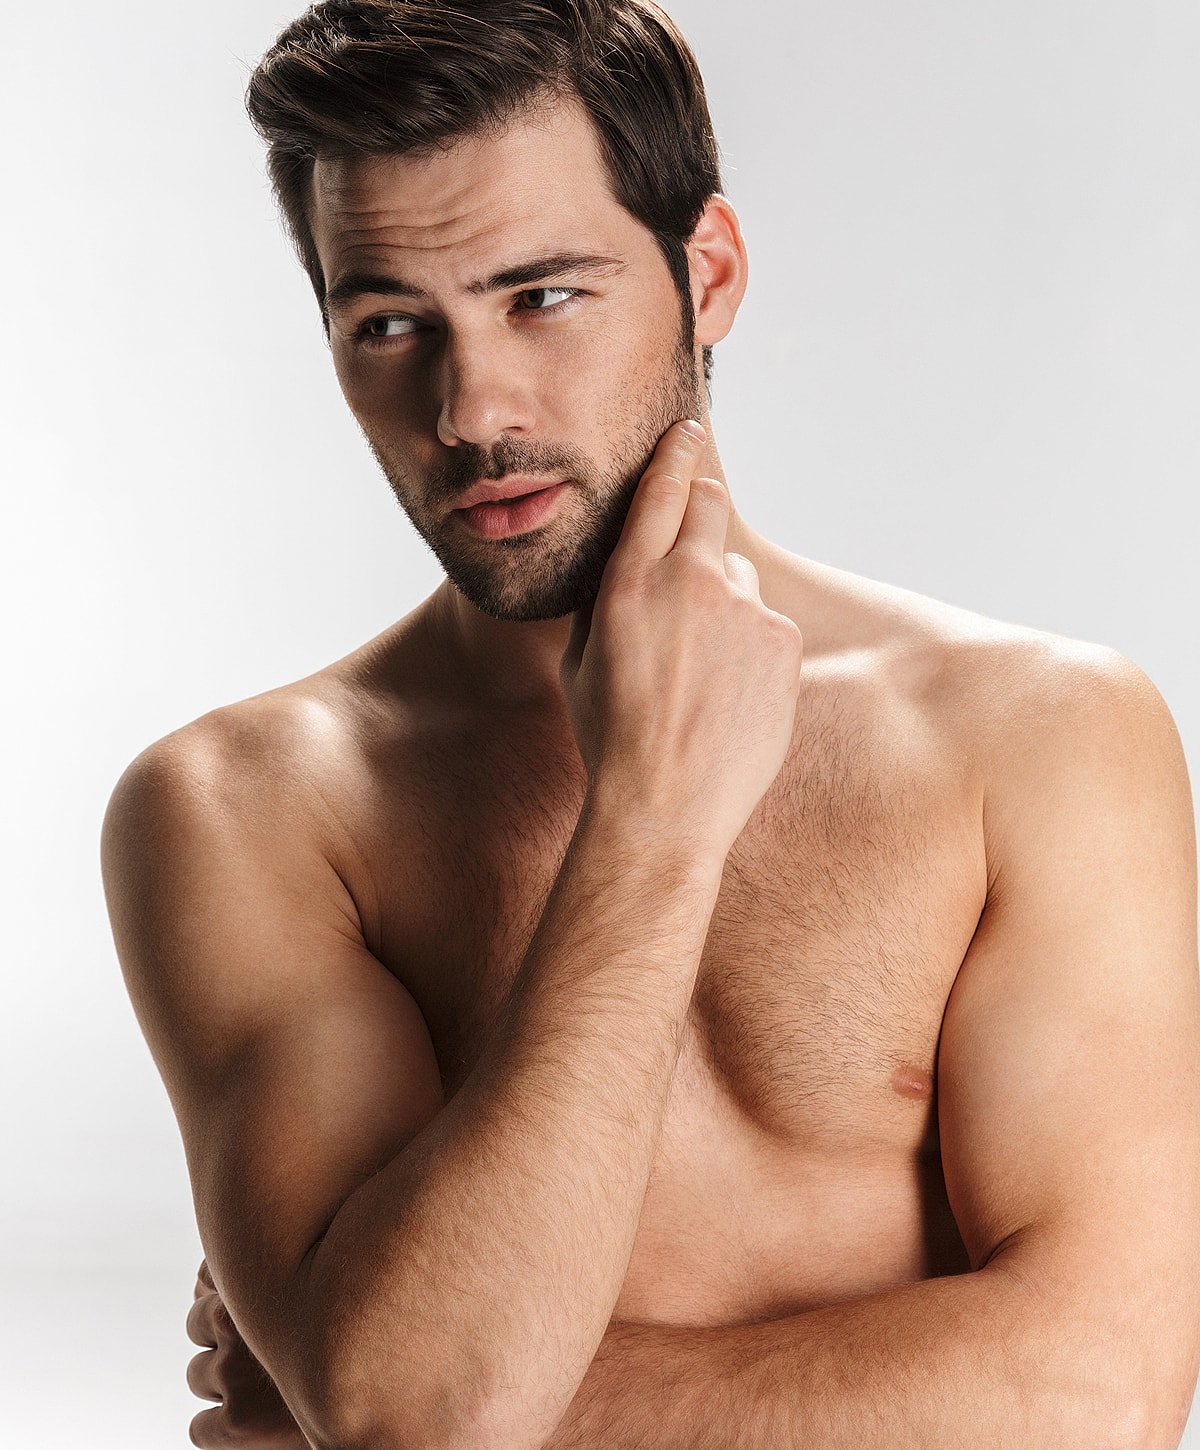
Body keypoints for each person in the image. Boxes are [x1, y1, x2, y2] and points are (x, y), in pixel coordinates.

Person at [101, 1, 1200, 1446]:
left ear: (708, 273)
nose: (472, 407)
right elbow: (419, 1416)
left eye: (542, 297)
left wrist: (378, 1397)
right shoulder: (247, 810)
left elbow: (1100, 1389)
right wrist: (653, 823)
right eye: (389, 325)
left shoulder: (1038, 739)